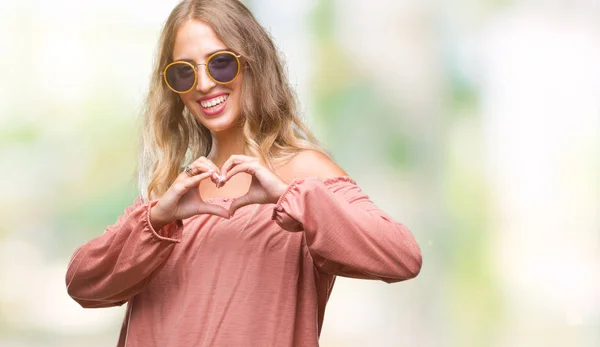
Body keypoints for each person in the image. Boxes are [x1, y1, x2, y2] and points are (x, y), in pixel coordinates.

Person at [64, 0, 422, 346]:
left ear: (253, 65)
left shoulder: (303, 173)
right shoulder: (172, 191)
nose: (203, 84)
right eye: (184, 72)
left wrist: (289, 198)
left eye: (220, 64)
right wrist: (158, 218)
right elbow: (83, 284)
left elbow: (401, 258)